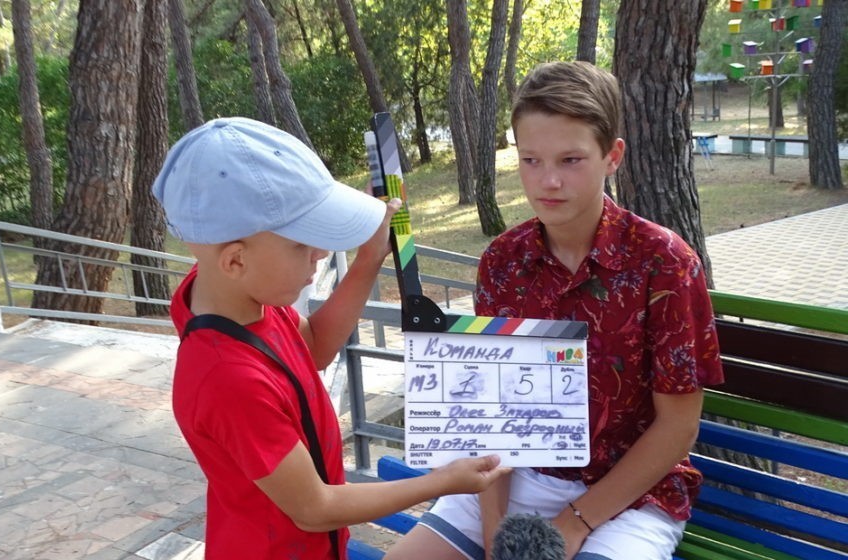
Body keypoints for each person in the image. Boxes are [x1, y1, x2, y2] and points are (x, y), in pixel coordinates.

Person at [386, 62, 724, 560]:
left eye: (571, 160)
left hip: (629, 496)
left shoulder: (665, 263)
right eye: (530, 160)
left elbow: (678, 428)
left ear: (612, 156)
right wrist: (496, 534)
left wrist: (575, 522)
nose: (548, 181)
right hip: (511, 476)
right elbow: (491, 414)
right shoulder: (502, 261)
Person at [151, 117, 510, 559]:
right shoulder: (228, 379)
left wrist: (368, 259)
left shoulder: (239, 298)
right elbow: (315, 508)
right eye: (301, 244)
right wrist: (443, 481)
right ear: (235, 261)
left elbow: (313, 347)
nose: (321, 253)